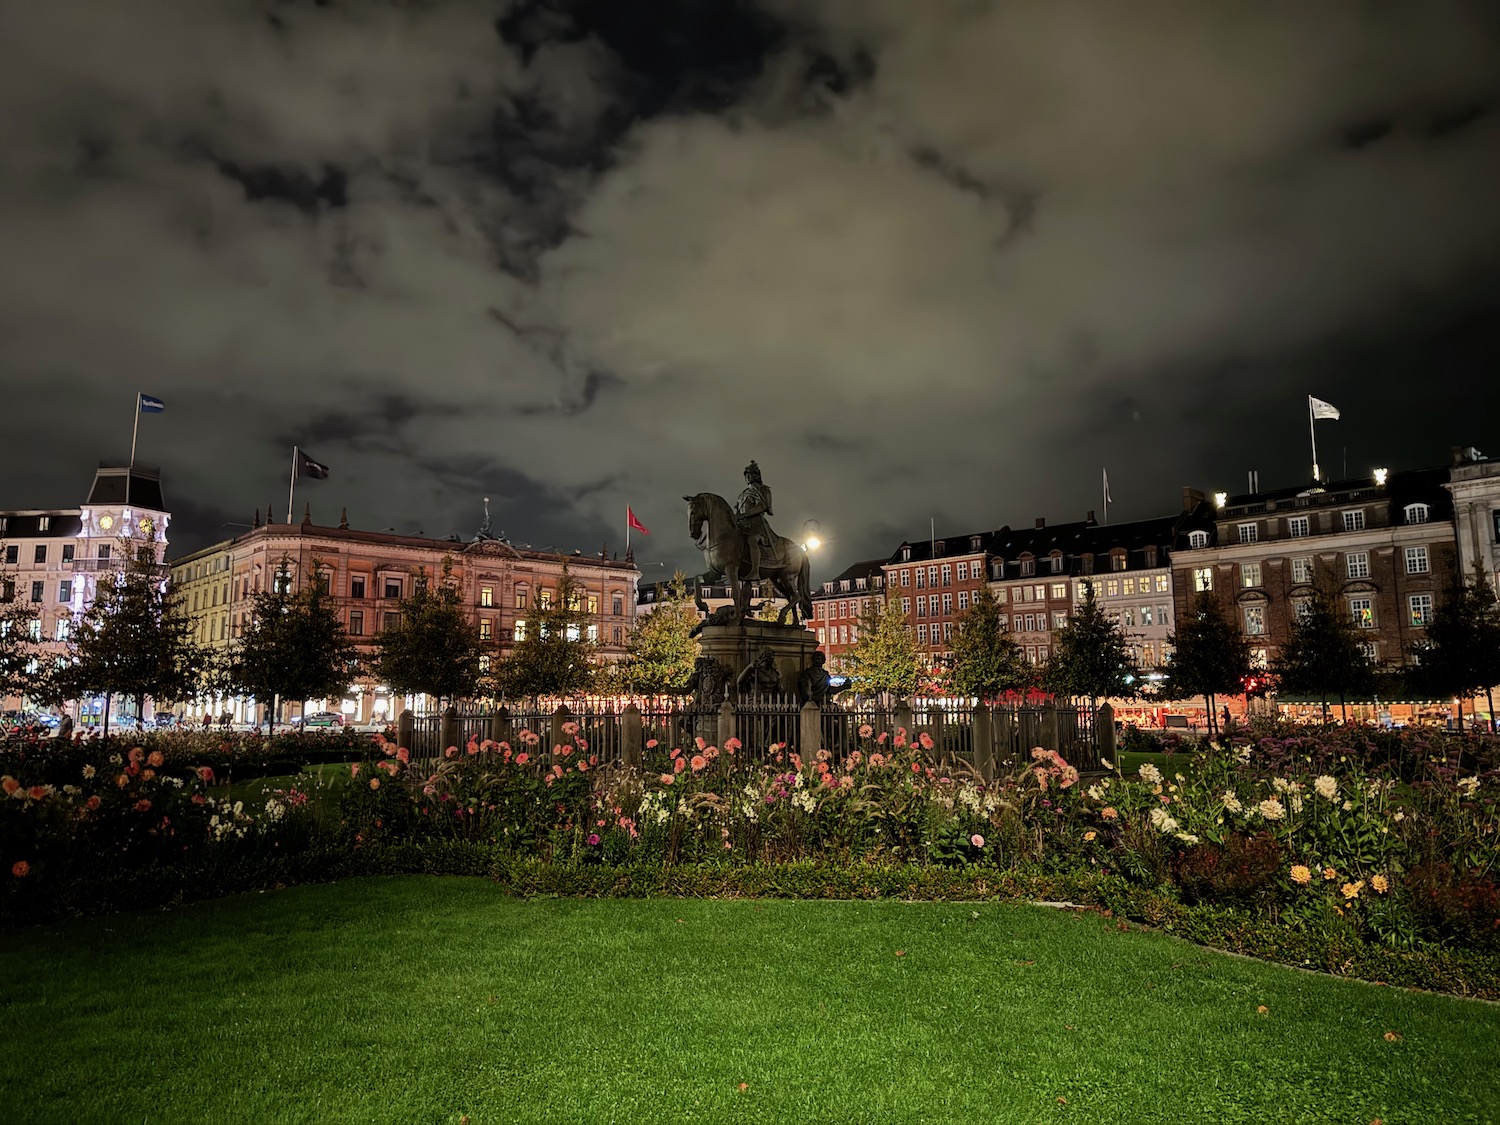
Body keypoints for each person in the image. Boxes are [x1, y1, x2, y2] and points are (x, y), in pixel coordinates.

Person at [734, 461, 777, 581]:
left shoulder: (763, 489)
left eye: (750, 474)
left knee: (752, 540)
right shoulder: (742, 494)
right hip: (742, 525)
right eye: (746, 475)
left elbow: (762, 506)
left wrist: (745, 515)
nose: (747, 477)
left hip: (757, 525)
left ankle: (755, 571)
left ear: (756, 476)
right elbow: (737, 509)